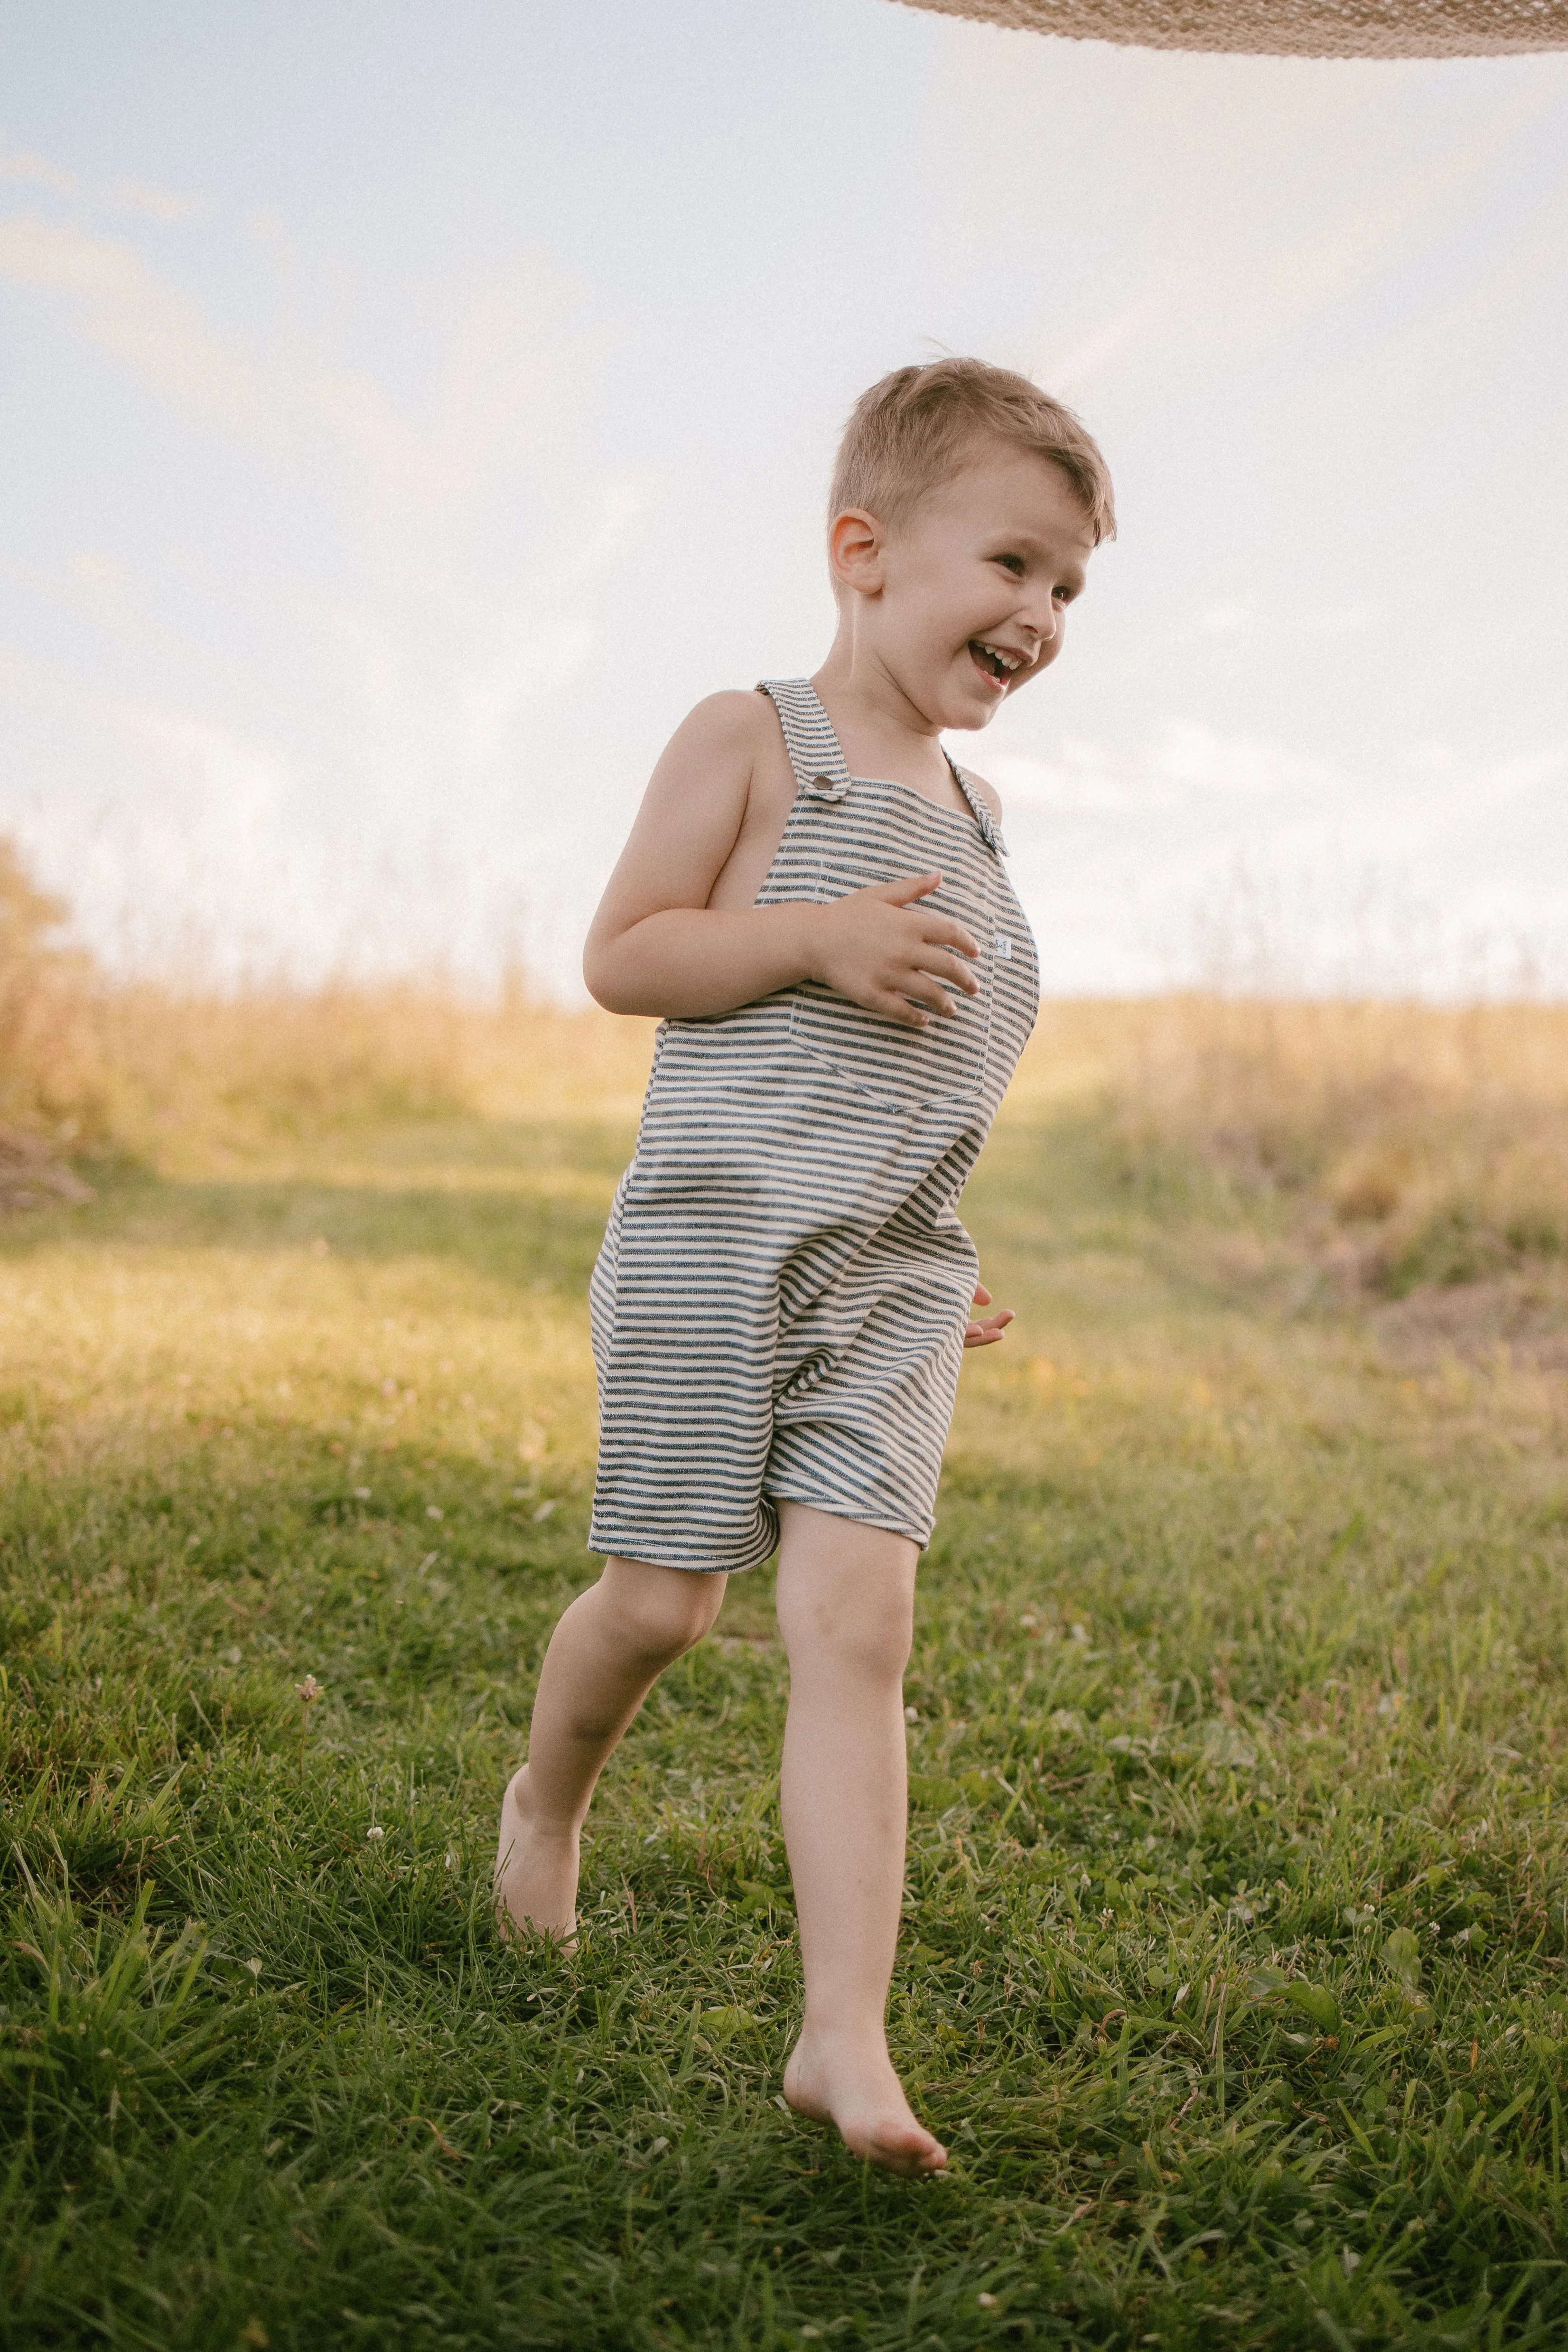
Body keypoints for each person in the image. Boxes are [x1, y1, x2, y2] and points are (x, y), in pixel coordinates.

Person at [495, 358, 1114, 2175]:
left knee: (857, 1625)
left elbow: (922, 1072)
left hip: (888, 1278)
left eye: (1071, 589)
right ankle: (547, 1799)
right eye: (1014, 563)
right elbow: (627, 954)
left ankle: (843, 2036)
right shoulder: (758, 737)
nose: (1044, 615)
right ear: (864, 549)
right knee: (666, 1603)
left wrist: (936, 1241)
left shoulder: (985, 826)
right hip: (712, 1252)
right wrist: (817, 935)